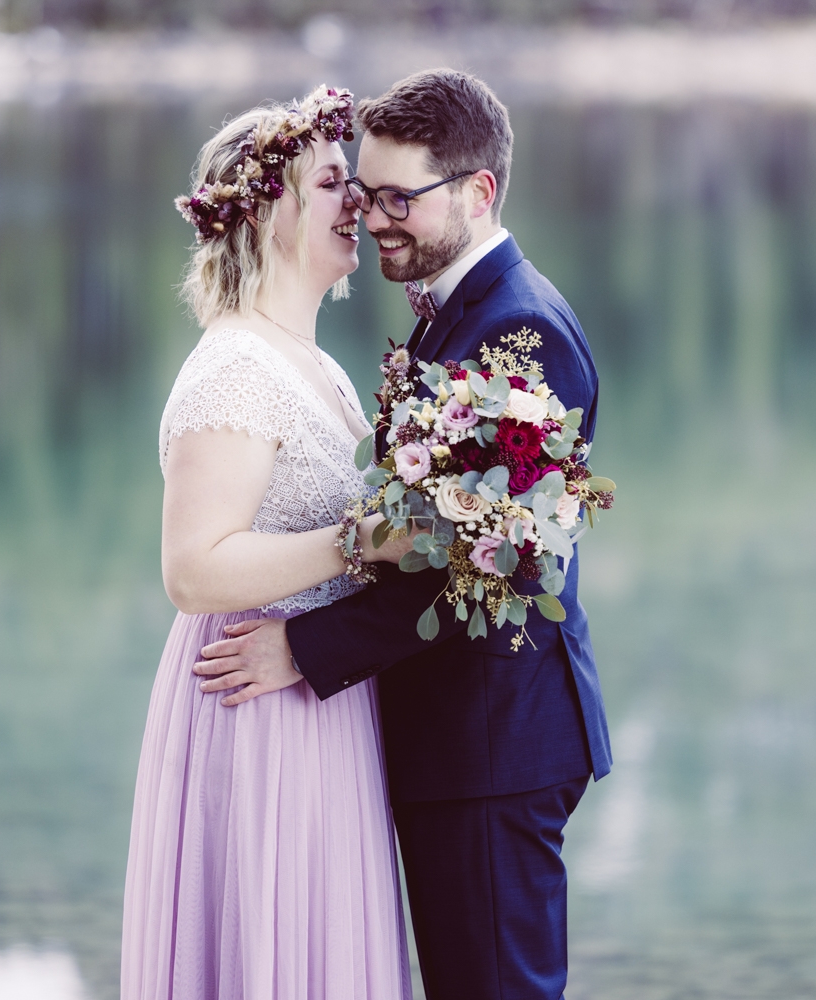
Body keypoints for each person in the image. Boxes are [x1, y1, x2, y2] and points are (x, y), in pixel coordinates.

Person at [194, 69, 613, 1000]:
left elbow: (490, 564)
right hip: (460, 737)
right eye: (362, 193)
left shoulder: (522, 331)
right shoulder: (461, 318)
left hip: (492, 740)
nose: (373, 217)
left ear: (478, 190)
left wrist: (303, 648)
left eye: (397, 198)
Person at [119, 86, 415, 1000]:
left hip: (313, 690)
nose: (357, 204)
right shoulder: (236, 366)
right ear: (272, 212)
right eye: (332, 183)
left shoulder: (315, 364)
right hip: (253, 704)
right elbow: (194, 568)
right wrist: (362, 542)